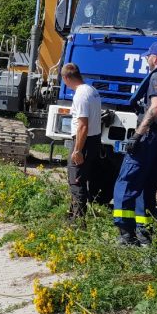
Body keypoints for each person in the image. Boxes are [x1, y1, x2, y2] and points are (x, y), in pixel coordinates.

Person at [113, 40, 157, 245]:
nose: (147, 60)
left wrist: (138, 135)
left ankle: (125, 235)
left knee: (127, 182)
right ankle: (144, 234)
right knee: (148, 187)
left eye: (148, 56)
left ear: (155, 58)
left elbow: (155, 107)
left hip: (149, 136)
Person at [63, 63, 102, 219]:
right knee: (81, 178)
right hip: (94, 140)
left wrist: (77, 150)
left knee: (76, 181)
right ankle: (72, 214)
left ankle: (78, 221)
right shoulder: (92, 90)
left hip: (84, 142)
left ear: (66, 78)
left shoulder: (80, 94)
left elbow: (82, 126)